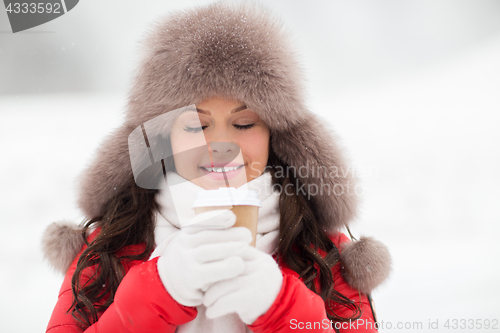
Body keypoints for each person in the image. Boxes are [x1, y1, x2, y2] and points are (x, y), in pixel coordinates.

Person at [43, 2, 391, 332]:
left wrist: (282, 307)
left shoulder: (321, 251)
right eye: (196, 126)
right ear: (165, 138)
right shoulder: (108, 248)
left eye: (244, 124)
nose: (221, 145)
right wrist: (157, 294)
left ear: (277, 137)